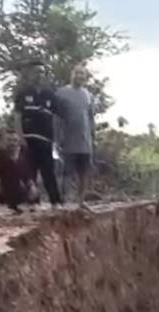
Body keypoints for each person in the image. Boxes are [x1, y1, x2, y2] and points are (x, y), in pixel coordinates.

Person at [13, 61, 63, 208]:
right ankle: (32, 203)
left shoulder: (49, 94)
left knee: (49, 172)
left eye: (42, 72)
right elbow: (17, 116)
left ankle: (55, 202)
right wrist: (20, 137)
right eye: (36, 72)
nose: (39, 75)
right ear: (30, 74)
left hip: (46, 140)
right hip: (28, 139)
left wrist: (57, 139)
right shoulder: (23, 93)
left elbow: (56, 117)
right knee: (29, 172)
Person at [55, 64, 96, 210]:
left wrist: (93, 135)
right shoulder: (62, 93)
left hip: (85, 141)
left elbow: (90, 117)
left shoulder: (88, 95)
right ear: (72, 74)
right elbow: (56, 117)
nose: (80, 76)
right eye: (77, 73)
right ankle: (65, 199)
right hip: (68, 139)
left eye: (83, 74)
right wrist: (58, 138)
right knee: (67, 171)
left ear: (85, 77)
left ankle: (81, 201)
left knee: (83, 173)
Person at [0, 128, 40, 215]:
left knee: (34, 184)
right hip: (2, 188)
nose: (12, 143)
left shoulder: (24, 154)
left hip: (18, 188)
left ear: (18, 142)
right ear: (3, 141)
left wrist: (32, 186)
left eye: (14, 140)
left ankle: (24, 204)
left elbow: (28, 175)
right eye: (9, 140)